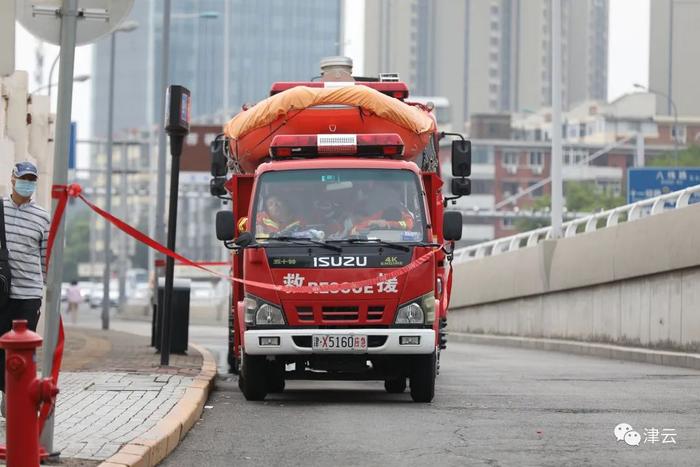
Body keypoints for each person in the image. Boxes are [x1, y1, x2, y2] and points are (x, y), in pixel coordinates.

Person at [0, 162, 50, 417]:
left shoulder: (42, 216)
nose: (27, 183)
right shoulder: (0, 209)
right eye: (23, 178)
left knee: (23, 351)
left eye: (31, 179)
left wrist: (45, 288)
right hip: (2, 294)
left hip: (29, 295)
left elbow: (45, 259)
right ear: (12, 179)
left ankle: (13, 399)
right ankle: (6, 389)